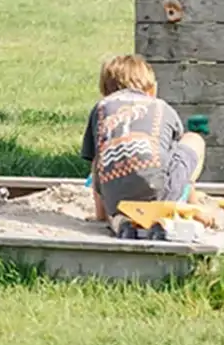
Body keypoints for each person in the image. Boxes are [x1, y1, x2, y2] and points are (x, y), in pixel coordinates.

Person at [82, 53, 203, 221]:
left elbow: (97, 164)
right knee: (193, 140)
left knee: (103, 154)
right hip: (160, 195)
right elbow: (177, 158)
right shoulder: (162, 107)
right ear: (152, 89)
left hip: (116, 202)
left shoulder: (101, 108)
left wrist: (101, 215)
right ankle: (193, 204)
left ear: (105, 91)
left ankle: (105, 214)